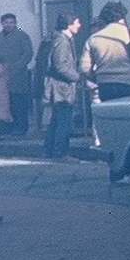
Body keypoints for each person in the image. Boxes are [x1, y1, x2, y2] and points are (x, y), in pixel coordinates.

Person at [81, 1, 130, 103]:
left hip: (104, 85)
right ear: (122, 18)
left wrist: (97, 78)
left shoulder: (93, 38)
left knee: (110, 111)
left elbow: (84, 68)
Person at [43, 11, 85, 158]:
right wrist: (77, 77)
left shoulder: (59, 38)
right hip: (62, 87)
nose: (79, 25)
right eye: (77, 22)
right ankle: (60, 152)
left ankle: (50, 150)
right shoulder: (62, 41)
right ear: (69, 24)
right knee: (64, 121)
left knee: (57, 120)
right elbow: (60, 65)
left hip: (59, 86)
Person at [0, 13, 35, 137]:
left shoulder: (22, 36)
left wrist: (17, 66)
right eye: (6, 22)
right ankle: (5, 128)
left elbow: (28, 53)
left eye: (11, 22)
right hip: (1, 76)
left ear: (15, 23)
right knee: (4, 103)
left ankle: (20, 127)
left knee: (19, 102)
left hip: (18, 75)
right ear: (2, 23)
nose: (8, 25)